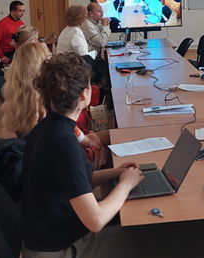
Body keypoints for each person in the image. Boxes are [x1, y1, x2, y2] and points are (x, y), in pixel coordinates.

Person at [20, 53, 142, 258]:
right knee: (145, 238)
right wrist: (125, 185)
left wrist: (116, 173)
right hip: (62, 250)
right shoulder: (63, 143)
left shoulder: (47, 129)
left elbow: (74, 182)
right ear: (84, 95)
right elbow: (96, 220)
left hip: (48, 241)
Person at [2, 42, 108, 169]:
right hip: (67, 160)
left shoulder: (15, 100)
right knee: (108, 150)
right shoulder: (50, 104)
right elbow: (72, 132)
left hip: (41, 164)